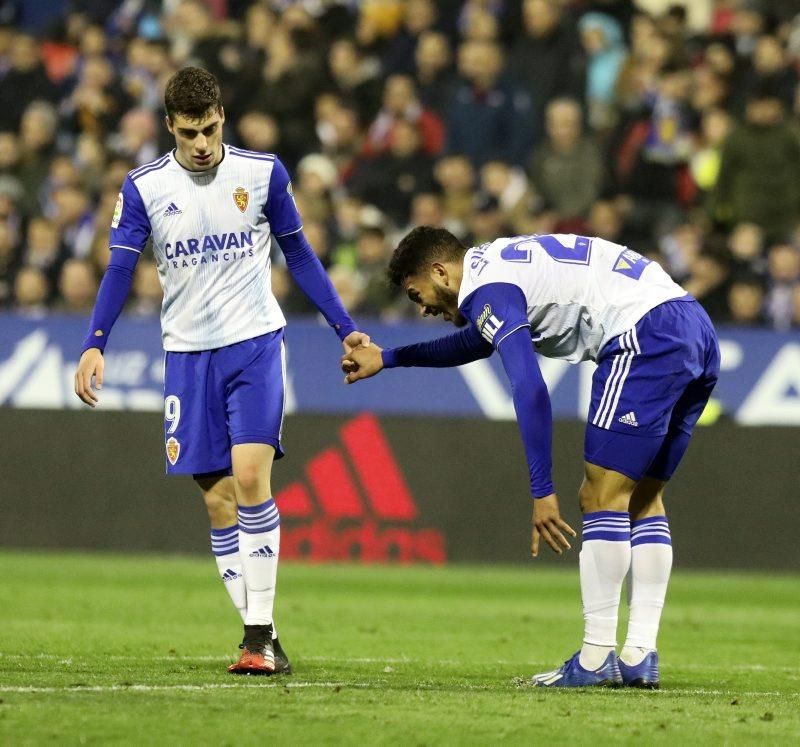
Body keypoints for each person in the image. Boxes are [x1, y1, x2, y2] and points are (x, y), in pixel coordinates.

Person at [74, 67, 369, 676]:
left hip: (255, 344)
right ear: (169, 128)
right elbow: (119, 269)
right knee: (217, 502)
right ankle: (261, 632)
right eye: (189, 133)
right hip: (186, 355)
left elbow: (302, 257)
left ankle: (258, 638)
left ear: (222, 117)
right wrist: (94, 342)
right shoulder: (144, 187)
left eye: (209, 129)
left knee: (250, 476)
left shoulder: (262, 175)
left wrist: (346, 328)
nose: (202, 143)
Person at [341, 226, 719, 688]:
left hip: (643, 332)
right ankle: (640, 653)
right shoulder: (496, 269)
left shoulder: (488, 290)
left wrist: (543, 490)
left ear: (441, 271)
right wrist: (391, 358)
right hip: (692, 325)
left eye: (419, 294)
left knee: (599, 497)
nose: (424, 309)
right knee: (641, 497)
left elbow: (528, 385)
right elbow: (476, 342)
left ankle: (597, 657)